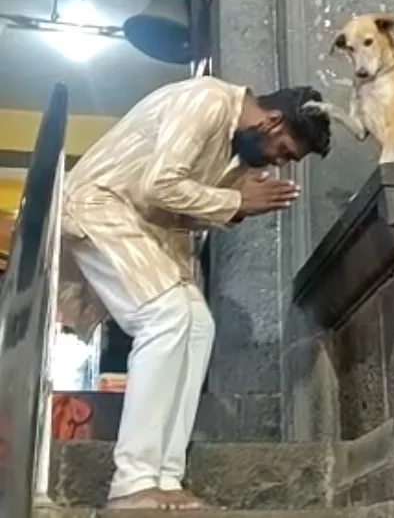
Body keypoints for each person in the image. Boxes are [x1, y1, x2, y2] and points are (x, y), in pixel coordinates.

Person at [57, 76, 332, 510]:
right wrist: (234, 202)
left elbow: (176, 208)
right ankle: (132, 480)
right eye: (284, 152)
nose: (277, 164)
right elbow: (159, 185)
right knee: (164, 317)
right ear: (273, 121)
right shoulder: (206, 100)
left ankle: (164, 477)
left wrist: (233, 202)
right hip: (101, 205)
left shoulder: (239, 149)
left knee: (198, 326)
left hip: (146, 228)